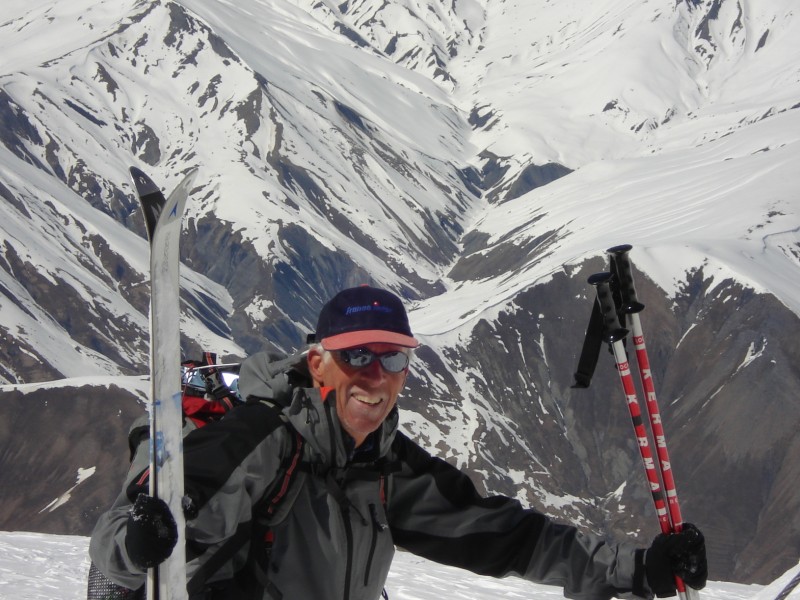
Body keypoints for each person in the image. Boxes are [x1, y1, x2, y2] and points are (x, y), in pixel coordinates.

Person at [89, 285, 707, 600]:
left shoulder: (384, 466)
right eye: (356, 355)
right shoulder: (259, 440)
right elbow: (126, 533)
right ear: (318, 362)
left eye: (392, 358)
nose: (375, 376)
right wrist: (137, 539)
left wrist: (636, 567)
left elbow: (507, 535)